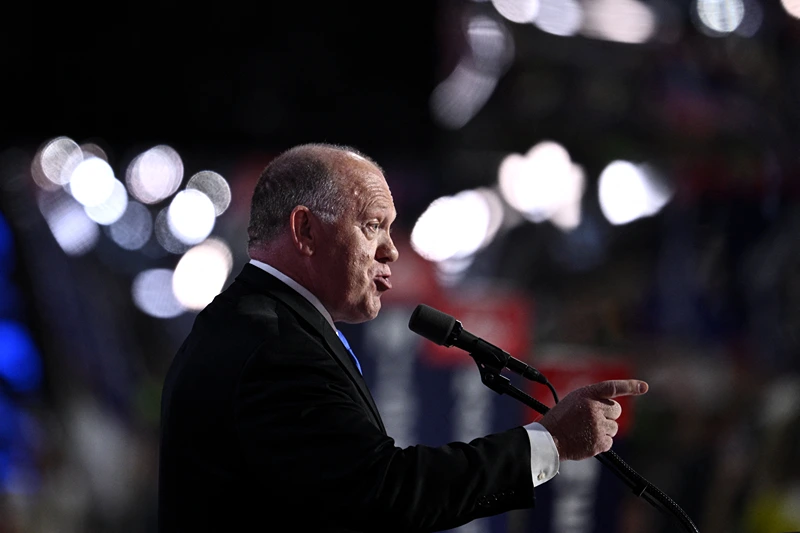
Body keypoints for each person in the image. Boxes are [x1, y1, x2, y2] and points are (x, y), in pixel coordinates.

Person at [157, 143, 649, 532]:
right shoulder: (274, 346)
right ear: (305, 230)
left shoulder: (253, 321)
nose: (392, 250)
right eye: (373, 226)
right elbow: (383, 493)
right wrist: (549, 443)